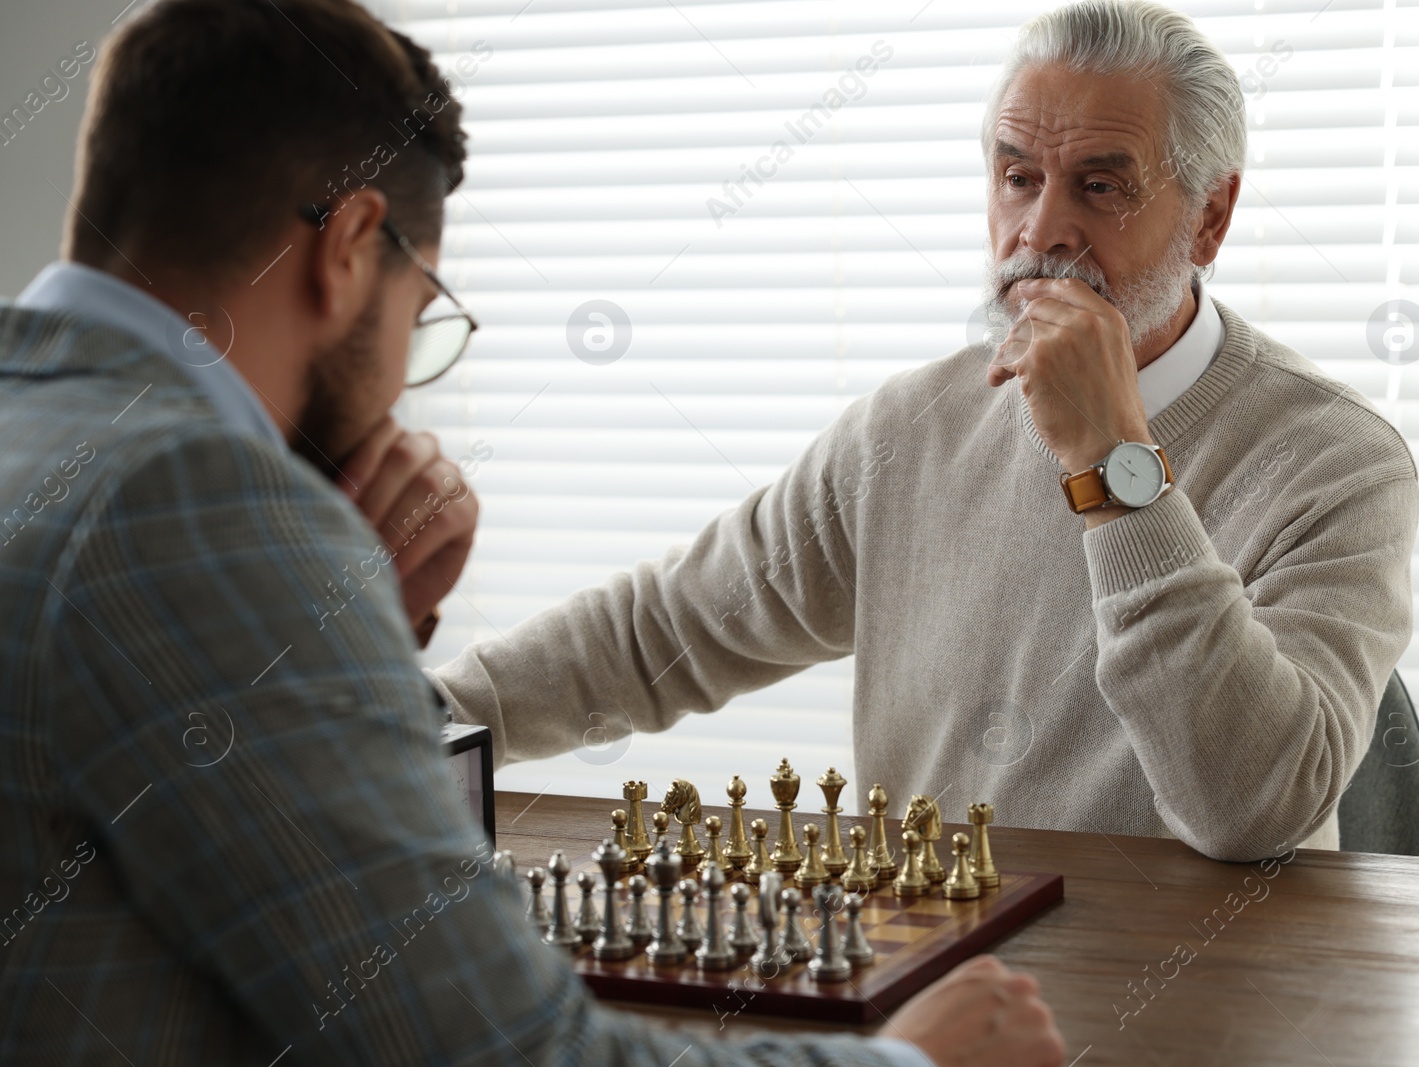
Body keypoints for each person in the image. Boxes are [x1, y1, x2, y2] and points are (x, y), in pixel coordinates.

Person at [0, 1, 1064, 1065]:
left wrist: (358, 619)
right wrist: (913, 1060)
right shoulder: (204, 506)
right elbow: (504, 1052)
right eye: (421, 317)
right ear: (351, 247)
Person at [425, 0, 1419, 863]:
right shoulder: (911, 427)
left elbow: (1251, 806)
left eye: (1100, 186)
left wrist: (1110, 459)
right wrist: (415, 719)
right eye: (1016, 176)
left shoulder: (1338, 462)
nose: (1040, 231)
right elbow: (665, 632)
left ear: (1209, 217)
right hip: (934, 990)